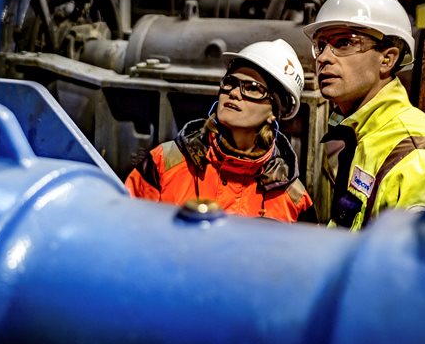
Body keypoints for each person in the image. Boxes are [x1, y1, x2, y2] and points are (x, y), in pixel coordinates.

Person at [303, 0, 425, 230]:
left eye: (344, 42)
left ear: (387, 59)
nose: (323, 57)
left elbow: (409, 255)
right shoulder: (365, 136)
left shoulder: (420, 162)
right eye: (321, 45)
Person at [125, 39, 313, 223]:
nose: (234, 93)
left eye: (252, 88)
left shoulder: (294, 200)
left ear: (274, 112)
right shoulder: (164, 163)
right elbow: (124, 225)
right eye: (230, 82)